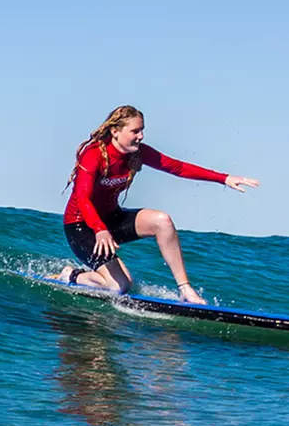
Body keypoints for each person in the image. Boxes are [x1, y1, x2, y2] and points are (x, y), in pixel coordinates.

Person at [54, 105, 258, 304]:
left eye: (142, 130)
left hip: (111, 219)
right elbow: (82, 197)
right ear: (115, 131)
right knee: (119, 287)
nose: (141, 136)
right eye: (135, 131)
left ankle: (185, 289)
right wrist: (99, 230)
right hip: (82, 226)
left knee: (162, 221)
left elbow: (178, 168)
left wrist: (223, 178)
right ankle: (71, 275)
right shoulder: (93, 154)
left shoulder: (138, 153)